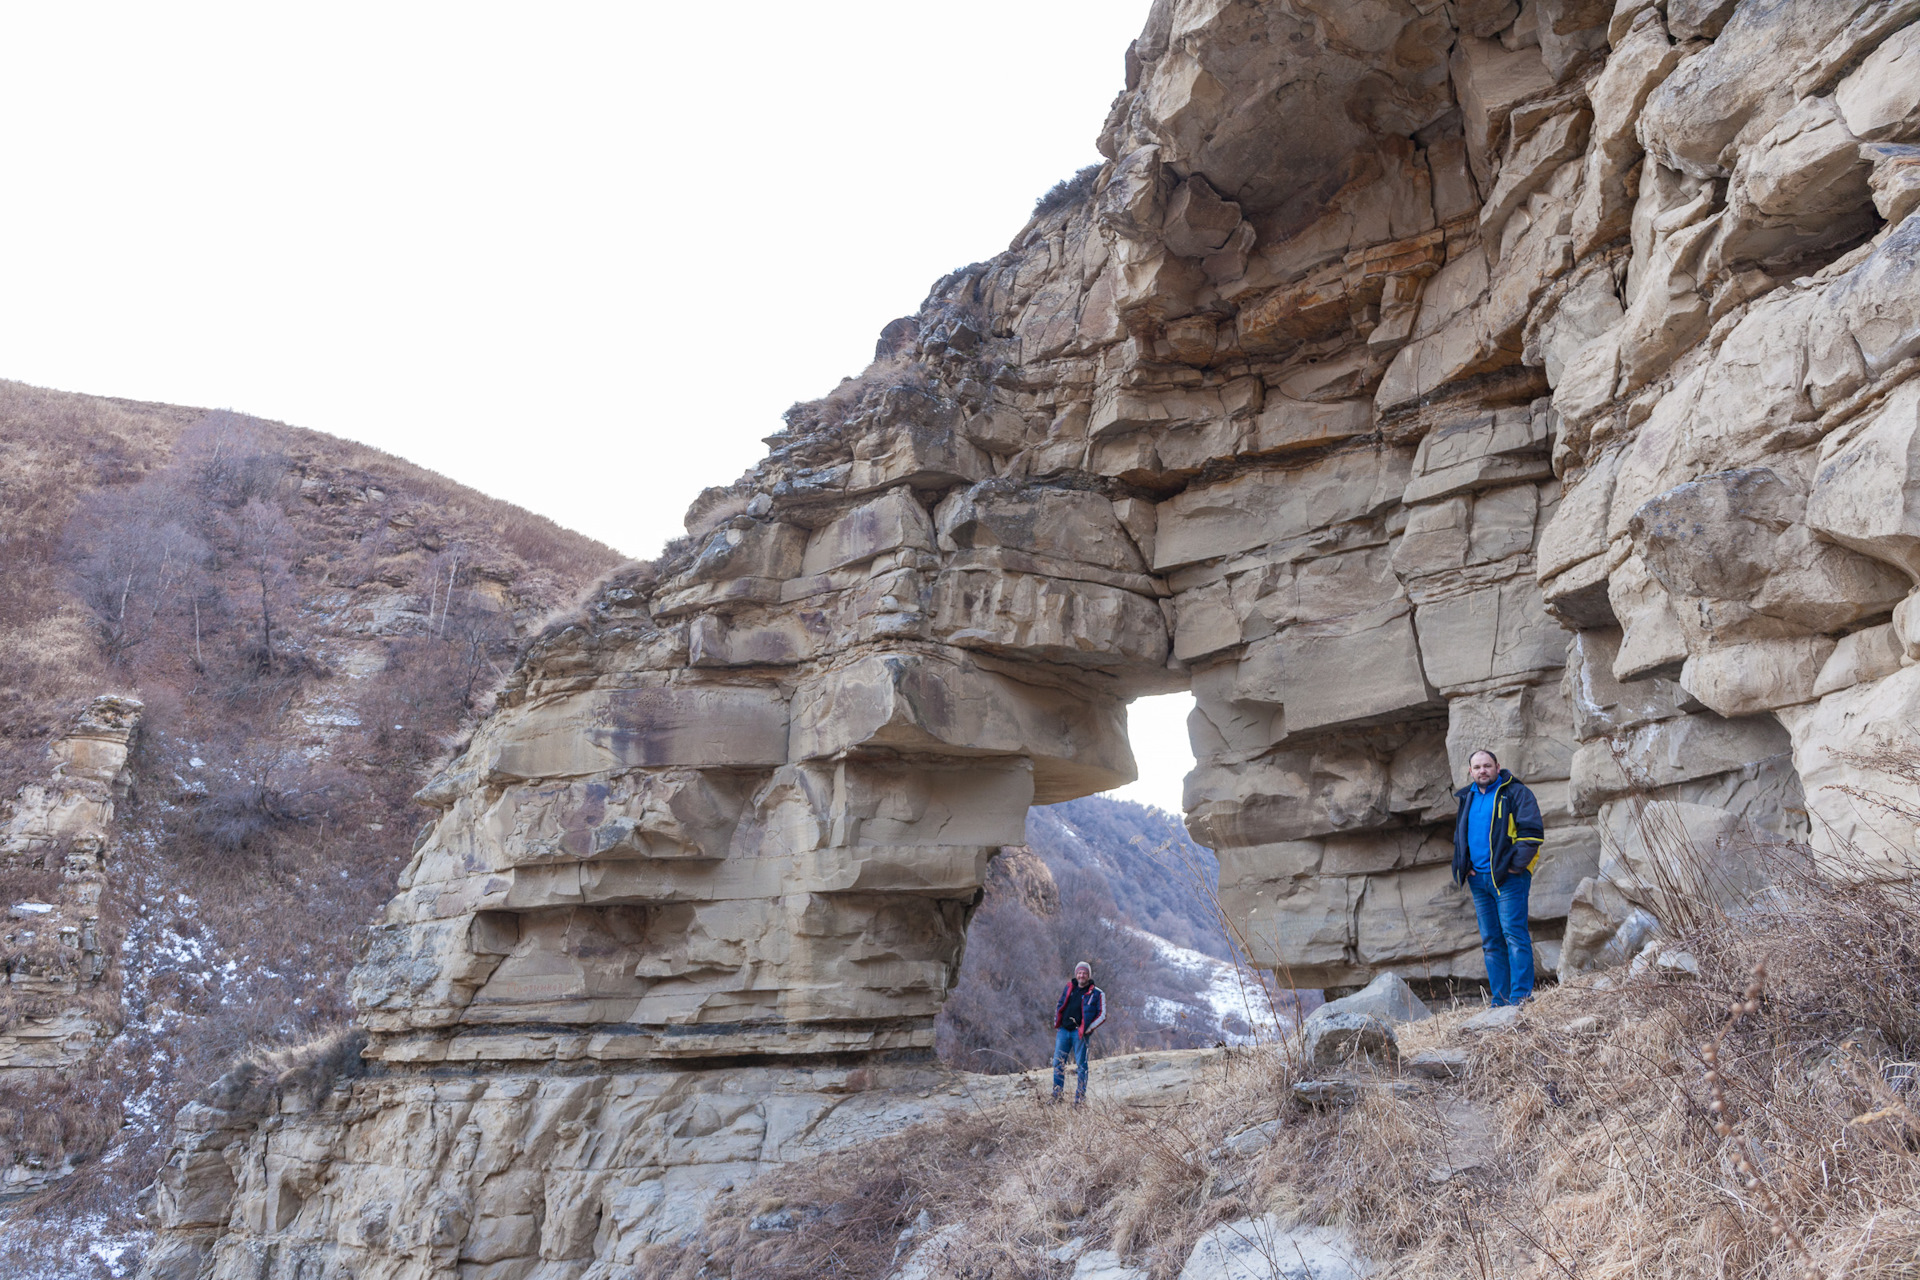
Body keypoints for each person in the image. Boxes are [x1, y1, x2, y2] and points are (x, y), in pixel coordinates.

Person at [1450, 749, 1545, 1007]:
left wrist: (1513, 867)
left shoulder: (1516, 793)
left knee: (1514, 935)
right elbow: (1462, 836)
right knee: (1491, 941)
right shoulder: (1467, 797)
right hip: (1479, 882)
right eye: (1477, 767)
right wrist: (1465, 865)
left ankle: (1521, 997)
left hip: (1508, 880)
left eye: (1487, 765)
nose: (1483, 770)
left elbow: (1532, 834)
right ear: (1470, 771)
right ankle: (1500, 1001)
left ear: (1497, 766)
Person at [1050, 961, 1106, 1104]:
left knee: (1081, 1066)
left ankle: (1079, 1099)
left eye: (1085, 973)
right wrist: (1057, 1019)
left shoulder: (1097, 993)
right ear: (1076, 974)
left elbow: (1102, 1015)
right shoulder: (1069, 987)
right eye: (1080, 973)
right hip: (1063, 1031)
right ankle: (1057, 1096)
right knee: (1058, 1063)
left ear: (1088, 975)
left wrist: (1088, 1029)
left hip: (1080, 1034)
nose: (1082, 975)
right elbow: (1059, 1004)